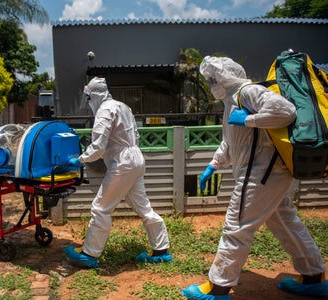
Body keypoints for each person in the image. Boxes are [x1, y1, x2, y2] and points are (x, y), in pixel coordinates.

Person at [181, 56, 327, 299]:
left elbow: (286, 111)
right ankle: (313, 277)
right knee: (285, 222)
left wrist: (249, 119)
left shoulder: (248, 91)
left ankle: (218, 287)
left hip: (261, 174)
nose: (210, 84)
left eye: (212, 79)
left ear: (224, 77)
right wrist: (213, 165)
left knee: (236, 226)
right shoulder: (231, 100)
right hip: (265, 175)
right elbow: (231, 142)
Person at [64, 77, 172, 268]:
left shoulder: (105, 111)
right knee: (143, 206)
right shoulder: (123, 106)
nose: (88, 103)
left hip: (122, 164)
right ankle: (161, 250)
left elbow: (98, 146)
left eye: (88, 98)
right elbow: (135, 135)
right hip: (136, 159)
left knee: (101, 207)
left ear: (94, 95)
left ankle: (89, 253)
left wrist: (79, 160)